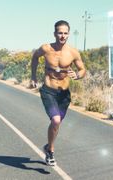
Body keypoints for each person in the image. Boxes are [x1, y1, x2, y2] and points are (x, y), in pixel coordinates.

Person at [30, 20, 86, 166]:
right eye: (60, 33)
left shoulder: (73, 52)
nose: (62, 36)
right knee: (55, 120)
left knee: (57, 123)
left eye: (65, 33)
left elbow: (82, 70)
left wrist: (78, 75)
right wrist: (33, 76)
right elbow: (35, 57)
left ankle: (48, 147)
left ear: (68, 34)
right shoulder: (46, 48)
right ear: (55, 33)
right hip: (48, 90)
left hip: (64, 94)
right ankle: (51, 151)